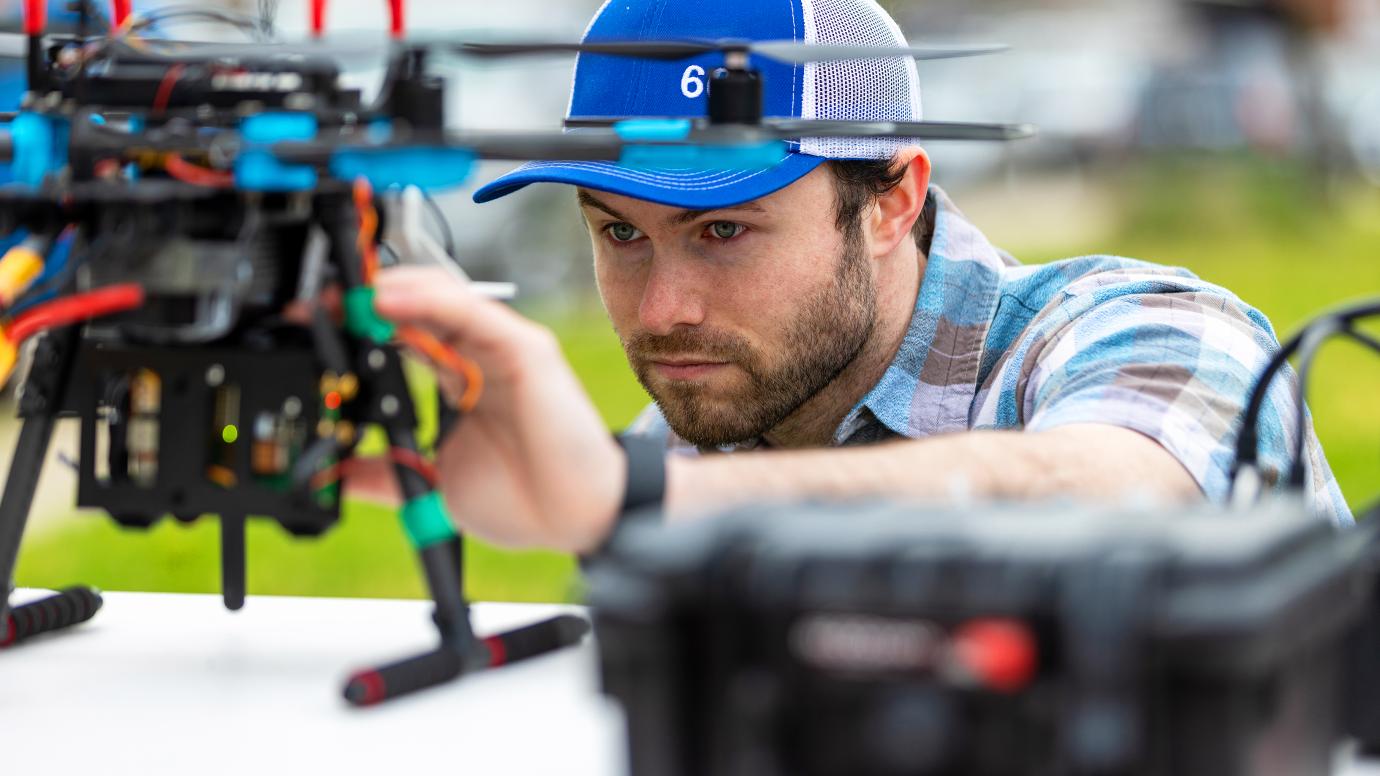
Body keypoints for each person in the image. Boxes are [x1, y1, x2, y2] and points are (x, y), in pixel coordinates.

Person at [355, 0, 1352, 554]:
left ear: (893, 200)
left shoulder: (1156, 327)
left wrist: (626, 501)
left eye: (722, 231)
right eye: (621, 235)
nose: (663, 312)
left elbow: (1112, 498)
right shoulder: (683, 445)